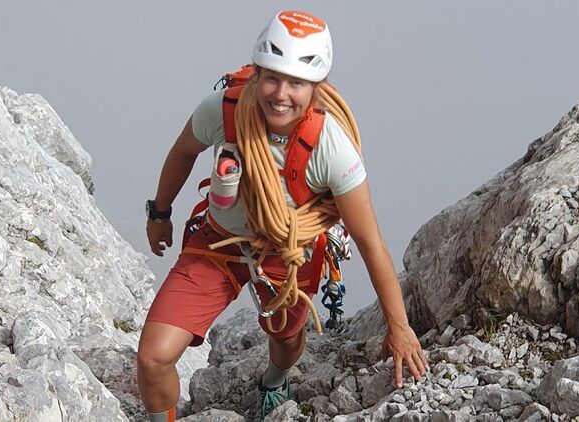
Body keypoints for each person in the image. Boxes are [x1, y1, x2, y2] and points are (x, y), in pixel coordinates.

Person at [138, 10, 428, 421]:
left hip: (289, 252)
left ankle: (275, 379)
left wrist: (399, 327)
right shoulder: (224, 109)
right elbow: (183, 151)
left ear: (316, 88)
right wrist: (159, 213)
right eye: (272, 78)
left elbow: (370, 241)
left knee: (287, 341)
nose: (281, 94)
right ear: (256, 73)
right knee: (152, 358)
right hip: (219, 243)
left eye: (297, 83)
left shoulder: (331, 147)